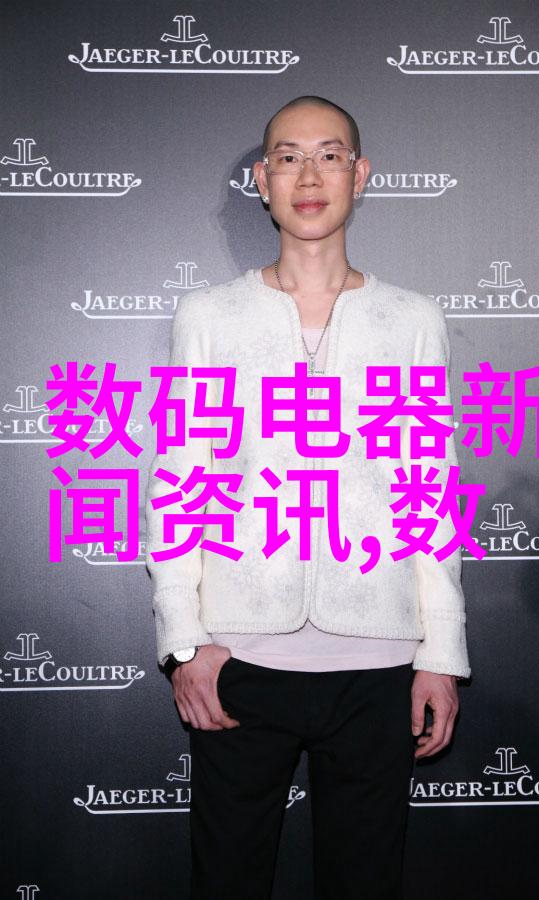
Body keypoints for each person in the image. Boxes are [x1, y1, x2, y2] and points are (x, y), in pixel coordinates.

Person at [145, 95, 471, 900]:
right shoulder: (209, 316)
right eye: (288, 158)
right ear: (263, 181)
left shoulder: (411, 320)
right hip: (240, 663)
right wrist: (184, 642)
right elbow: (178, 480)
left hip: (377, 668)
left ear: (361, 175)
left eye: (330, 155)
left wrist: (440, 654)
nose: (310, 175)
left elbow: (429, 491)